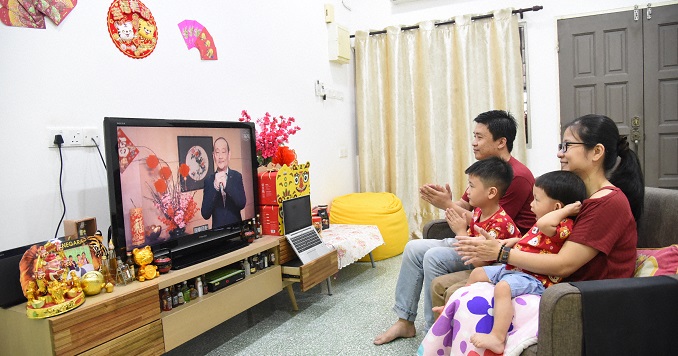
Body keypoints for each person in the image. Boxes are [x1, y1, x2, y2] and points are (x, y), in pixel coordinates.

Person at [374, 110, 536, 345]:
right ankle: (405, 321)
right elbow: (466, 206)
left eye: (480, 137)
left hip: (494, 248)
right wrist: (446, 201)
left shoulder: (517, 177)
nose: (474, 142)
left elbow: (490, 224)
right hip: (471, 238)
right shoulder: (483, 170)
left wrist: (449, 206)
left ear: (501, 142)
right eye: (474, 135)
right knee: (412, 248)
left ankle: (434, 329)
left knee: (433, 257)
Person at [454, 113, 644, 295]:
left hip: (584, 296)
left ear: (596, 152)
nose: (559, 153)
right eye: (561, 146)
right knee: (470, 287)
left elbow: (564, 264)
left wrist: (502, 253)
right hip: (555, 285)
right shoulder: (577, 195)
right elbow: (554, 240)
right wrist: (516, 243)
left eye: (567, 146)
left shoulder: (608, 203)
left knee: (476, 296)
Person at [464, 170, 586, 354]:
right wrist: (512, 242)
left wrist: (566, 211)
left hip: (536, 278)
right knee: (477, 273)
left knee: (503, 287)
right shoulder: (543, 222)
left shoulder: (562, 224)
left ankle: (497, 337)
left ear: (557, 207)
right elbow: (532, 238)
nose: (531, 204)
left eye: (536, 199)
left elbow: (544, 226)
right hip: (517, 269)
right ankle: (456, 304)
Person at [201, 137, 247, 228]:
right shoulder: (209, 181)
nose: (220, 157)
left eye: (223, 152)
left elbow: (241, 204)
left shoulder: (237, 176)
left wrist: (227, 185)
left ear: (229, 155)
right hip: (218, 235)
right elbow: (205, 214)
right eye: (217, 152)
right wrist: (215, 187)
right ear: (213, 155)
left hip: (236, 231)